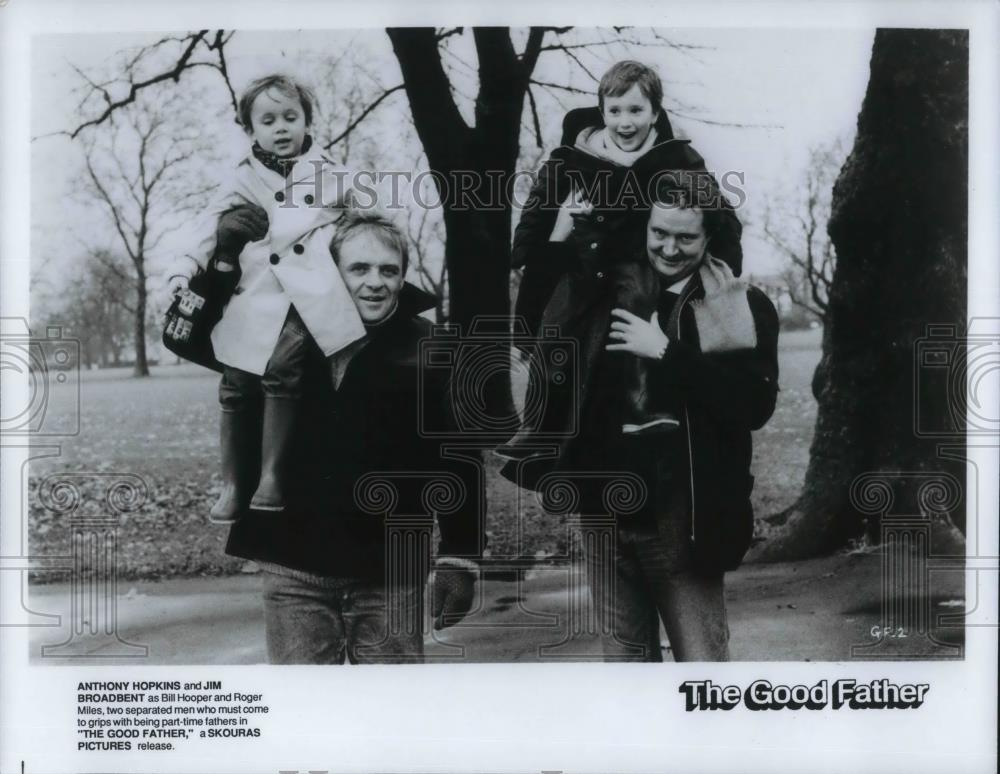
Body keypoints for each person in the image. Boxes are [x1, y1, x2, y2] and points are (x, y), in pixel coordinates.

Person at [510, 171, 779, 661]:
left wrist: (666, 352)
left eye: (685, 237)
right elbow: (543, 289)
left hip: (682, 518)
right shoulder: (606, 294)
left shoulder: (743, 306)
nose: (670, 248)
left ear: (710, 236)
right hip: (603, 514)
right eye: (660, 233)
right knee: (625, 673)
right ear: (644, 227)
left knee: (702, 667)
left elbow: (753, 405)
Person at [224, 211, 483, 665]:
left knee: (389, 719)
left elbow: (460, 459)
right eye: (359, 268)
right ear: (332, 273)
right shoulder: (283, 337)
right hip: (294, 562)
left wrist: (460, 557)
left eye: (389, 270)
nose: (375, 282)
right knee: (305, 718)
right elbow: (234, 396)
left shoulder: (432, 349)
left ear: (403, 277)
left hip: (390, 569)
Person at [496, 60, 743, 459]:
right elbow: (537, 210)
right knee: (555, 325)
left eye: (636, 110)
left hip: (636, 260)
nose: (625, 122)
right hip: (583, 262)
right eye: (615, 111)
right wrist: (531, 246)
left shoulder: (677, 159)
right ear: (602, 111)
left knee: (638, 307)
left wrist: (728, 256)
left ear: (655, 114)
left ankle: (643, 405)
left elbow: (717, 208)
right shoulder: (572, 157)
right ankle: (537, 423)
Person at [164, 74, 366, 520]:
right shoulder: (240, 178)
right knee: (236, 381)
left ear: (307, 123)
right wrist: (182, 268)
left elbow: (367, 224)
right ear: (250, 129)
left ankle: (272, 476)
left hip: (309, 293)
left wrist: (366, 264)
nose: (281, 128)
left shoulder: (334, 174)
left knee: (282, 368)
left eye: (290, 117)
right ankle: (233, 484)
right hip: (255, 291)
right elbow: (205, 225)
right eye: (268, 120)